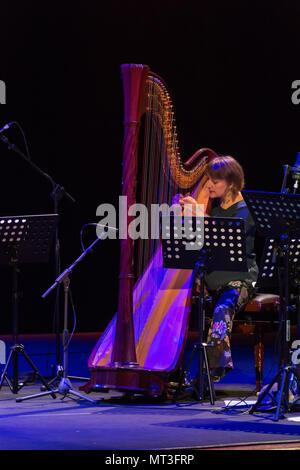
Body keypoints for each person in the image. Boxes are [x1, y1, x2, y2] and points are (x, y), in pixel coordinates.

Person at [176, 155, 259, 382]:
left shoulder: (246, 209)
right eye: (208, 180)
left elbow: (227, 234)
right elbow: (198, 239)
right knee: (176, 298)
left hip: (239, 279)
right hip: (213, 276)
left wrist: (200, 215)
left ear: (231, 183)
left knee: (222, 309)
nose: (209, 185)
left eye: (216, 181)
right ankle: (170, 368)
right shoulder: (217, 207)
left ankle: (212, 371)